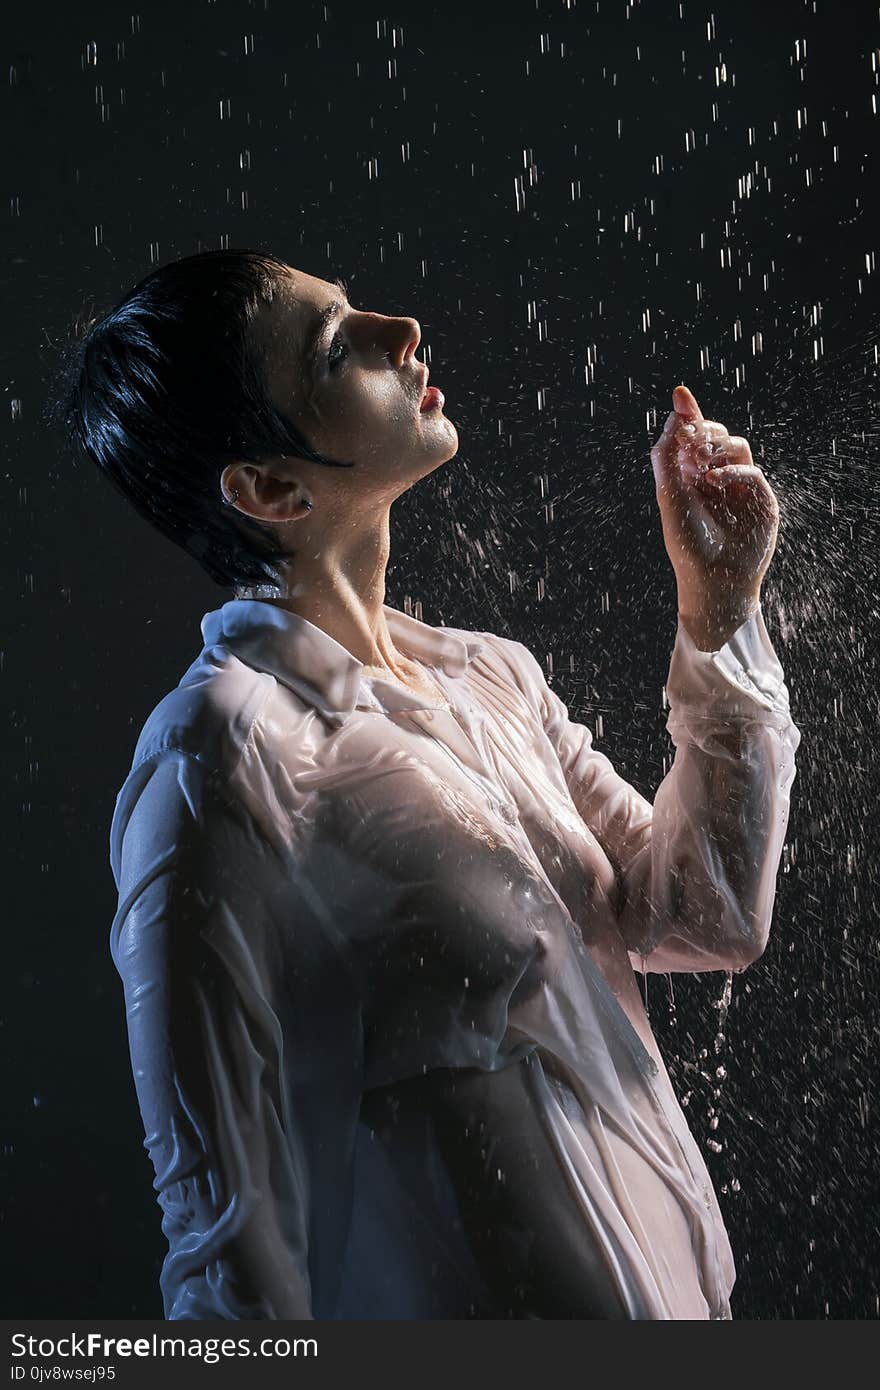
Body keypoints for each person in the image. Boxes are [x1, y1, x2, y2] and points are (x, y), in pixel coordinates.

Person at [59, 248, 800, 1319]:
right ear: (268, 488)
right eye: (336, 346)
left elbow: (703, 915)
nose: (399, 328)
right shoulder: (220, 759)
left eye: (359, 310)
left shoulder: (490, 678)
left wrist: (719, 609)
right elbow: (226, 1249)